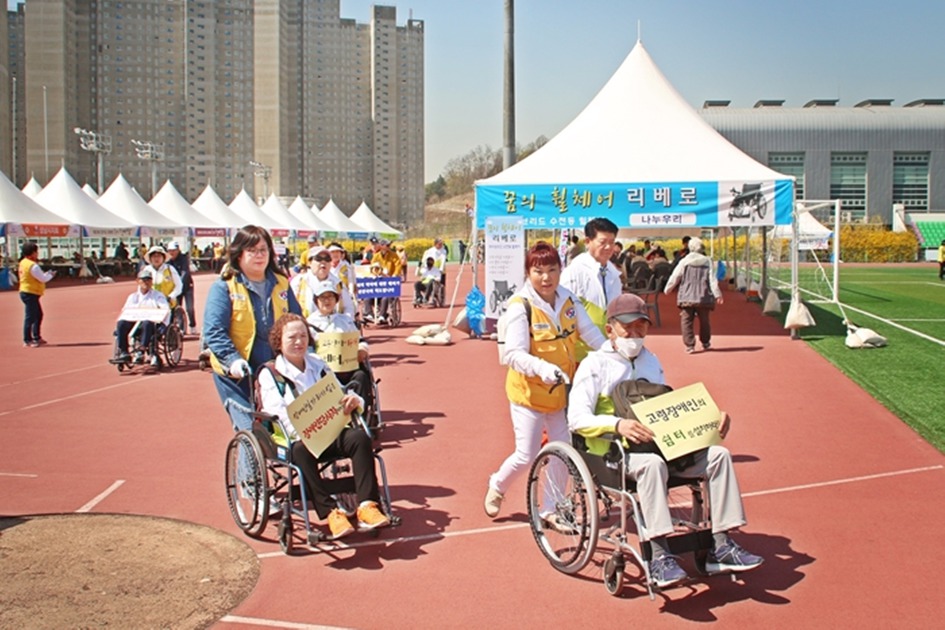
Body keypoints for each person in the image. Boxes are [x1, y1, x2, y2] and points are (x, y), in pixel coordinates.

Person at [567, 292, 763, 587]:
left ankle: (721, 544)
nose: (634, 334)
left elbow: (667, 411)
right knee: (652, 466)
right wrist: (618, 425)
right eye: (626, 327)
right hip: (612, 453)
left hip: (658, 446)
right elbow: (576, 419)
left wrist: (710, 420)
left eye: (640, 326)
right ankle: (658, 555)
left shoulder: (651, 361)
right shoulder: (594, 365)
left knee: (719, 455)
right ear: (610, 329)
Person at [484, 241, 607, 522]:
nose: (546, 277)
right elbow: (514, 354)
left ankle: (552, 508)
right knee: (526, 454)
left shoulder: (569, 299)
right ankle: (497, 485)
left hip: (560, 393)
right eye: (538, 271)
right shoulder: (520, 307)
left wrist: (612, 356)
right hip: (529, 393)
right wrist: (542, 367)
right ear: (528, 273)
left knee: (563, 451)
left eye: (552, 270)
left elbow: (591, 334)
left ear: (560, 270)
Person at [257, 313, 390, 538]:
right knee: (301, 450)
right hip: (297, 437)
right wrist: (306, 430)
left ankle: (368, 505)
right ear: (279, 342)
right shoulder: (270, 374)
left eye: (303, 336)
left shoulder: (318, 365)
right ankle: (330, 512)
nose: (299, 342)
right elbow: (276, 412)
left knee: (359, 438)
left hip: (329, 430)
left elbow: (339, 392)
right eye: (292, 337)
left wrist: (354, 401)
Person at [203, 225, 303, 435]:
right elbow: (214, 331)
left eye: (263, 250)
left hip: (274, 370)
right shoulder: (224, 287)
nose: (259, 256)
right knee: (251, 432)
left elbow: (296, 320)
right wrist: (232, 360)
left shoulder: (282, 284)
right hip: (237, 376)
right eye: (252, 250)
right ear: (239, 254)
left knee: (286, 430)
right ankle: (249, 468)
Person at [559, 217, 623, 361]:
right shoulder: (575, 271)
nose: (608, 247)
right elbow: (565, 312)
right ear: (588, 242)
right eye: (602, 242)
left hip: (608, 349)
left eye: (612, 242)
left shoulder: (613, 273)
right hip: (580, 354)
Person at [306, 280, 374, 411]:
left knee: (361, 376)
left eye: (330, 296)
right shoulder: (308, 324)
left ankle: (362, 415)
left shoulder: (345, 321)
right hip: (323, 370)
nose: (327, 301)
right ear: (316, 300)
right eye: (323, 297)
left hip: (348, 368)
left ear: (336, 300)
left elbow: (360, 341)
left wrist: (362, 350)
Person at [664, 236, 723, 354]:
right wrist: (717, 294)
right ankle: (705, 342)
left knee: (686, 320)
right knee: (704, 320)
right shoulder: (707, 261)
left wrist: (668, 289)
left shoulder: (684, 261)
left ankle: (689, 345)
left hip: (687, 295)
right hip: (704, 295)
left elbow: (675, 276)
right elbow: (712, 279)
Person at [114, 268, 171, 367]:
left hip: (151, 324)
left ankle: (141, 350)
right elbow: (125, 311)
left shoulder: (158, 296)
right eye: (143, 280)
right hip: (134, 323)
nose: (146, 282)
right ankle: (124, 351)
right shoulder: (133, 297)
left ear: (152, 281)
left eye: (148, 280)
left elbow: (166, 310)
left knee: (146, 322)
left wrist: (164, 324)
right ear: (138, 281)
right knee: (121, 323)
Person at [18, 242, 56, 347]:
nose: (37, 254)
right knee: (30, 316)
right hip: (30, 292)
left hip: (27, 291)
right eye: (36, 252)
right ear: (33, 252)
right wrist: (50, 275)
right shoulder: (33, 265)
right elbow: (42, 278)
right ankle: (27, 339)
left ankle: (36, 337)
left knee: (37, 315)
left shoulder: (23, 262)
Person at [166, 241, 197, 334]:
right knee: (176, 308)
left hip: (187, 287)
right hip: (175, 288)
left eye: (174, 250)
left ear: (178, 250)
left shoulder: (184, 258)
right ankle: (182, 328)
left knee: (189, 308)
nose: (172, 253)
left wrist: (180, 284)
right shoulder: (167, 261)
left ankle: (192, 325)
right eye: (170, 251)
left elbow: (185, 272)